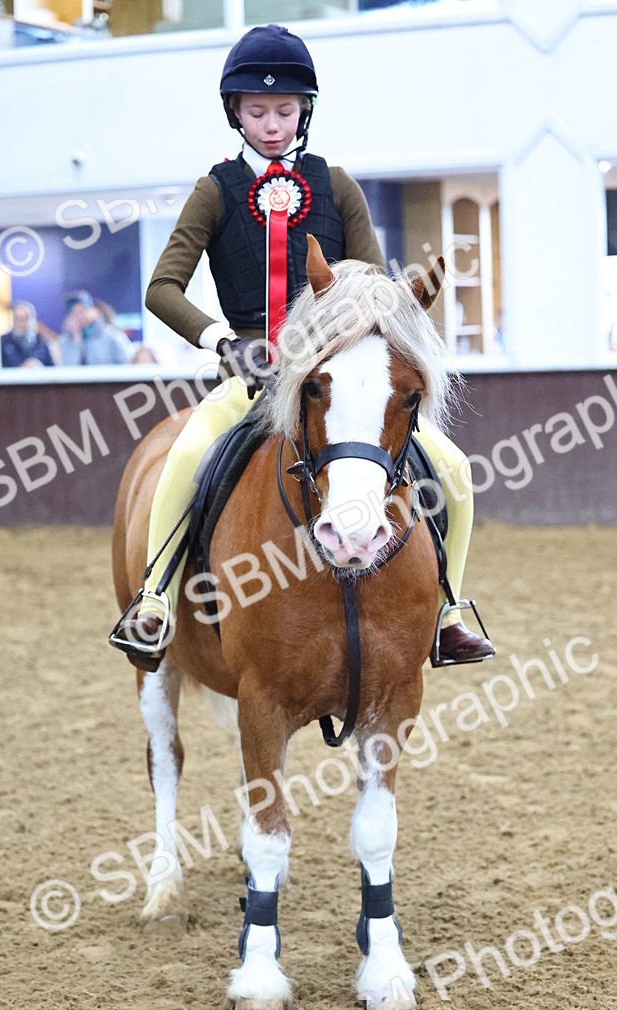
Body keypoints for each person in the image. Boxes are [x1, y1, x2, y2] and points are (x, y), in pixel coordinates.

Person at [111, 24, 493, 669]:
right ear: (235, 112)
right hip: (253, 376)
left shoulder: (336, 185)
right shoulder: (217, 190)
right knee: (188, 455)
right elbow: (162, 287)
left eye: (284, 110)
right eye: (256, 111)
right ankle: (153, 599)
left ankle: (449, 612)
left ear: (304, 111)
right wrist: (224, 342)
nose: (271, 123)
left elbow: (375, 288)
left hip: (334, 375)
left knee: (451, 470)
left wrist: (395, 312)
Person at [58, 291, 132, 365]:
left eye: (83, 311)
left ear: (93, 311)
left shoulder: (112, 334)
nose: (79, 316)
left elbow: (128, 360)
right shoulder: (65, 341)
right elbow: (69, 368)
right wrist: (76, 339)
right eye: (75, 313)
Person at [1, 301, 55, 368]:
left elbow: (52, 368)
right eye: (17, 319)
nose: (20, 323)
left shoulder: (42, 342)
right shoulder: (2, 342)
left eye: (24, 319)